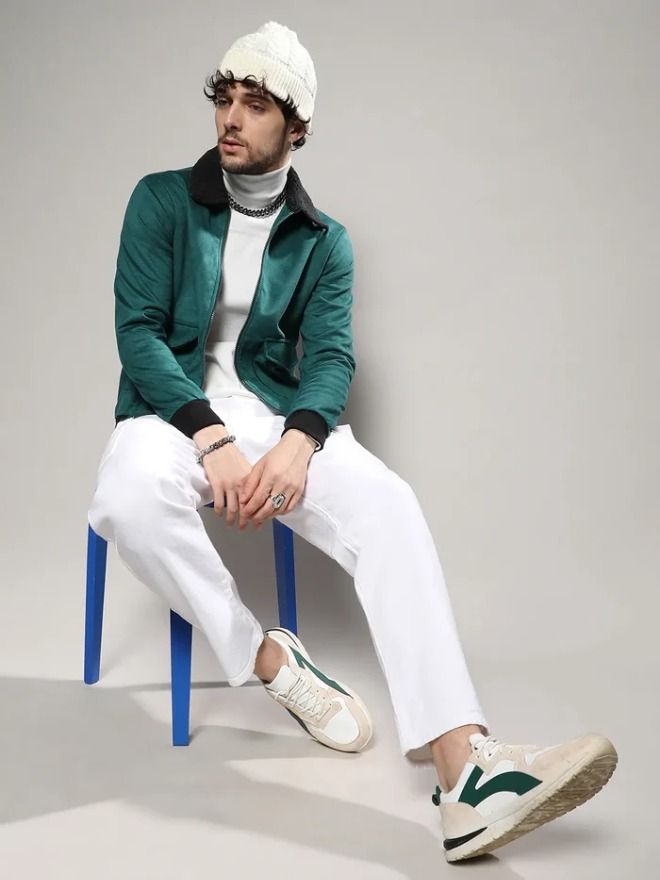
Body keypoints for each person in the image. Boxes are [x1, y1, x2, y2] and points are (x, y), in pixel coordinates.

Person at [87, 20, 618, 863]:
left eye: (256, 105)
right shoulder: (161, 200)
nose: (231, 118)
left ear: (296, 126)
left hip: (273, 415)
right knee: (125, 499)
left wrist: (300, 441)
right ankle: (271, 661)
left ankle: (465, 771)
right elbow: (139, 334)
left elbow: (330, 356)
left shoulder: (324, 239)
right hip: (172, 412)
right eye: (226, 98)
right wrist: (211, 436)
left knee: (389, 505)